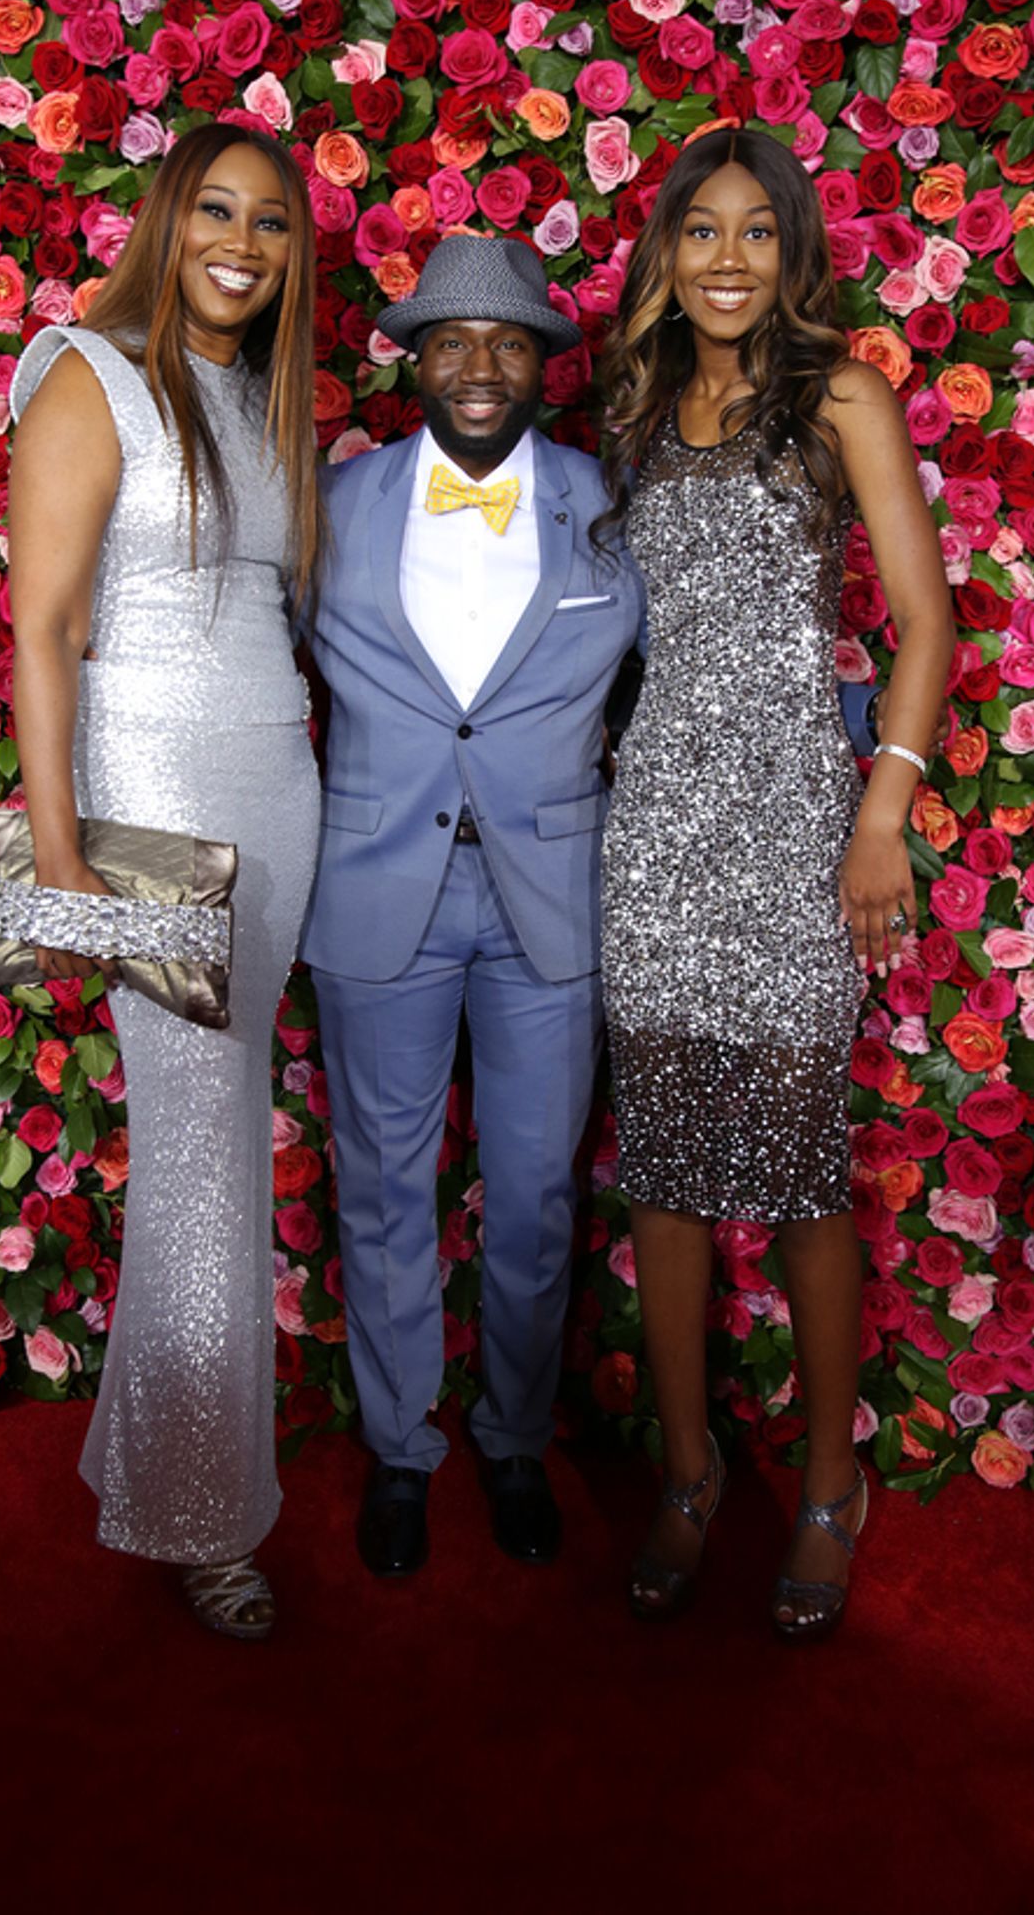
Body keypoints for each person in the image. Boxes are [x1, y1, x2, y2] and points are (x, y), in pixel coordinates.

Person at [597, 127, 955, 1640]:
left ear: (790, 251)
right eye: (701, 232)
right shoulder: (626, 416)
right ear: (666, 255)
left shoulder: (841, 399)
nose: (729, 259)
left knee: (805, 1174)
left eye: (757, 231)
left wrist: (883, 815)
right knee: (666, 1177)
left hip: (805, 825)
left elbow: (927, 628)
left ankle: (825, 1483)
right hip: (653, 831)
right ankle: (688, 1473)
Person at [7, 123, 323, 1640]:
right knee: (198, 1151)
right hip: (152, 797)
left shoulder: (265, 399)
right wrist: (63, 851)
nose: (243, 244)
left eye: (271, 223)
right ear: (167, 215)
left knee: (226, 1139)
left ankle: (158, 1462)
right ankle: (204, 1523)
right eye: (218, 209)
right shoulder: (89, 369)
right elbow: (45, 623)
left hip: (282, 792)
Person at [302, 237, 641, 1575]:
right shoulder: (332, 504)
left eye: (507, 342)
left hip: (549, 902)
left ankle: (510, 1436)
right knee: (383, 1187)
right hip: (375, 889)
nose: (480, 365)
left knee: (537, 1196)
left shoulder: (609, 508)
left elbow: (695, 681)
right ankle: (400, 1450)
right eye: (453, 342)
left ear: (545, 365)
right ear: (415, 360)